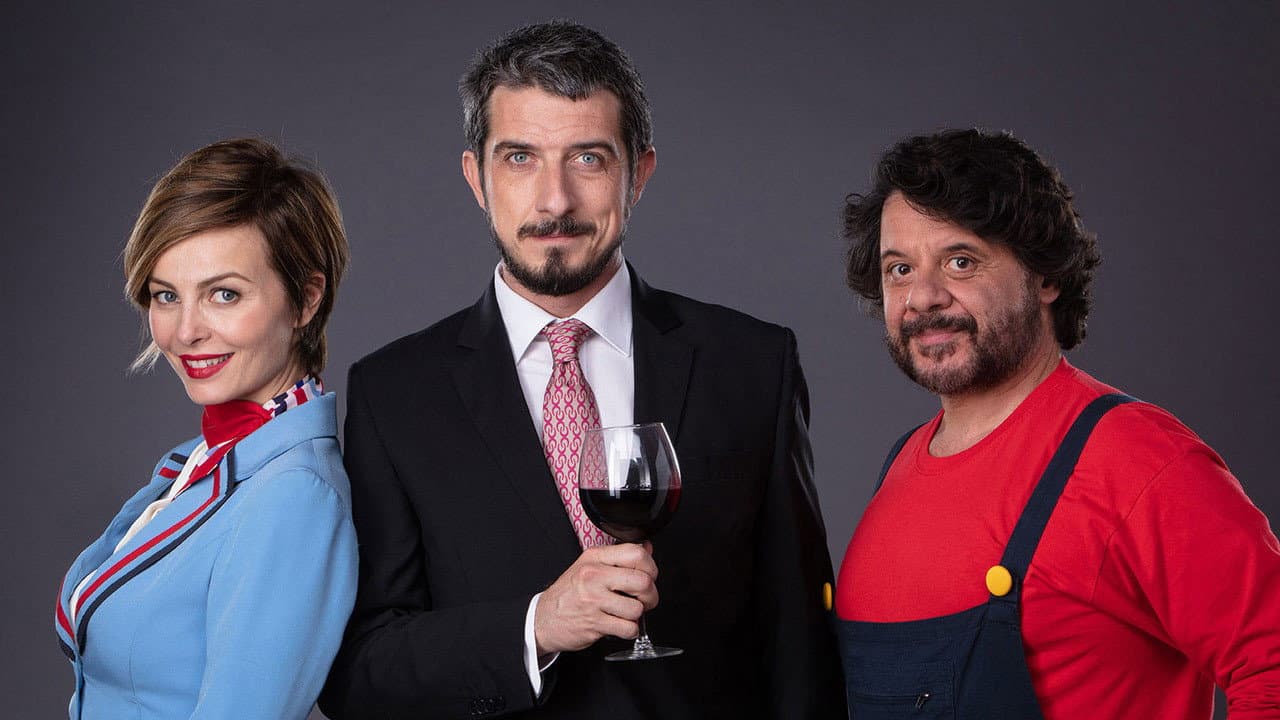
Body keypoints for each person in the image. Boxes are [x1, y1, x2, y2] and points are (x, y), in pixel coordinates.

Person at [319, 20, 844, 720]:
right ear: (477, 178)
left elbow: (800, 643)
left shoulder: (751, 363)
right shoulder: (394, 394)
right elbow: (361, 673)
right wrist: (534, 627)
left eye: (588, 159)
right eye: (520, 159)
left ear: (639, 173)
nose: (555, 201)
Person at [836, 128, 1280, 718]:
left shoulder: (1137, 459)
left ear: (1045, 277)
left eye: (960, 262)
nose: (923, 297)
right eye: (899, 269)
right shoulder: (897, 468)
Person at [54, 138, 358, 719]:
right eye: (166, 296)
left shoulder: (293, 495)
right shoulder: (208, 459)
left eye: (224, 294)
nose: (186, 331)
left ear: (305, 300)